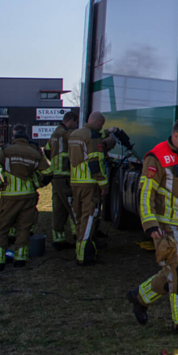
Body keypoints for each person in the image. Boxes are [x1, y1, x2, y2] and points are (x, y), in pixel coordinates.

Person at [127, 117, 178, 337]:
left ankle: (140, 296)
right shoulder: (156, 158)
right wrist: (150, 225)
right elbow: (145, 195)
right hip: (166, 227)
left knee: (172, 272)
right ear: (176, 136)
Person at [0, 125, 51, 270]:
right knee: (24, 227)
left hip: (9, 196)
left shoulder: (6, 150)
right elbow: (48, 173)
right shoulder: (34, 153)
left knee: (2, 228)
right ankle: (20, 259)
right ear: (27, 139)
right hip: (28, 196)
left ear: (14, 139)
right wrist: (36, 184)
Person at [69, 112, 109, 265]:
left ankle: (80, 251)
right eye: (102, 124)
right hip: (89, 183)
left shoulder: (75, 134)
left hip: (76, 182)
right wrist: (103, 183)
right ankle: (84, 255)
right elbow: (95, 162)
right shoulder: (93, 136)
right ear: (99, 122)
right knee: (89, 217)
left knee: (80, 217)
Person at [45, 111, 79, 249]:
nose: (75, 127)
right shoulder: (64, 133)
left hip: (56, 176)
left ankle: (59, 240)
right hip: (64, 176)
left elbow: (46, 149)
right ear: (71, 121)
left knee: (59, 209)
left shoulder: (55, 133)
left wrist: (54, 162)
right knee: (73, 206)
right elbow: (79, 137)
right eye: (75, 123)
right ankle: (79, 235)